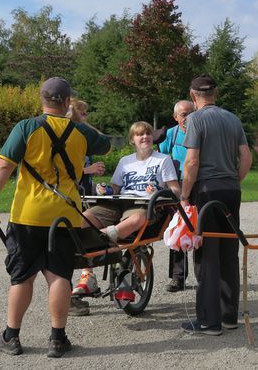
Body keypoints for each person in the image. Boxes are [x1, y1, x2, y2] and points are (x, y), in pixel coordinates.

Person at [0, 77, 111, 358]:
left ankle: (11, 337)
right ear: (67, 102)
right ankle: (57, 339)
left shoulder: (27, 127)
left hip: (28, 214)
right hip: (65, 216)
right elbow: (107, 145)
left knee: (22, 276)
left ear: (42, 100)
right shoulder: (80, 131)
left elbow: (3, 166)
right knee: (59, 275)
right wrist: (75, 119)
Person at [70, 121, 181, 313]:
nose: (144, 137)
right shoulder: (125, 161)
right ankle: (85, 251)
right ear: (132, 140)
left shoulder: (162, 160)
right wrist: (104, 189)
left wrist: (158, 190)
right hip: (118, 202)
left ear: (152, 138)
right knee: (86, 216)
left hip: (144, 204)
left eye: (147, 134)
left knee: (137, 219)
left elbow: (175, 190)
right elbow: (115, 189)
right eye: (139, 135)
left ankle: (104, 236)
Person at [180, 74, 252, 336]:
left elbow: (191, 162)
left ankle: (209, 322)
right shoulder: (233, 119)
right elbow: (245, 156)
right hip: (231, 190)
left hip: (207, 192)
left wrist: (185, 194)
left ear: (192, 95)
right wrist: (235, 180)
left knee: (207, 255)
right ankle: (228, 315)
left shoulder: (195, 120)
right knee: (228, 252)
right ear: (216, 93)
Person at [158, 100, 195, 293]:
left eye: (190, 112)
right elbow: (160, 157)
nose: (187, 117)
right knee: (178, 230)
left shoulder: (200, 131)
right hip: (177, 187)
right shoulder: (171, 135)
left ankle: (204, 275)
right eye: (183, 114)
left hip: (198, 184)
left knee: (199, 228)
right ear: (175, 117)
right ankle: (178, 278)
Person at [68, 98, 105, 195]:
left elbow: (103, 139)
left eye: (86, 114)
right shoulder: (67, 138)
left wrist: (94, 170)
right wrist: (88, 170)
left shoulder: (83, 137)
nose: (85, 118)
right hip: (71, 194)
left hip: (85, 192)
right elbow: (64, 172)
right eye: (82, 114)